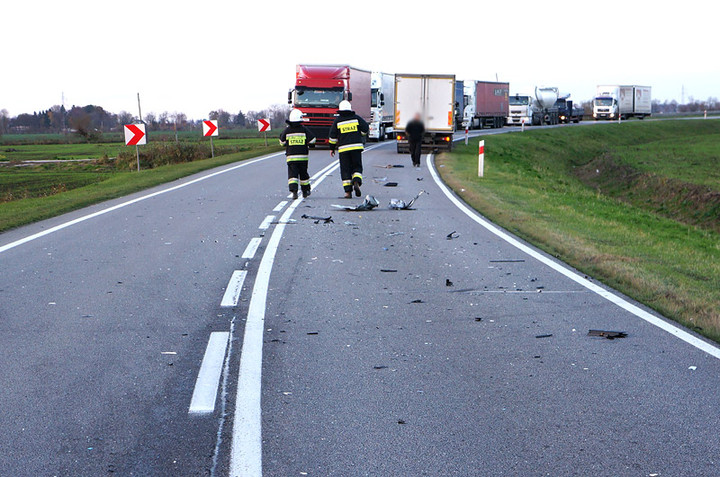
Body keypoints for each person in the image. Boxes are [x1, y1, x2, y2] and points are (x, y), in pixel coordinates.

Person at [329, 100, 369, 198]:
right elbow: (366, 128)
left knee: (345, 169)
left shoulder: (337, 121)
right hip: (356, 148)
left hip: (344, 149)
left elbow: (332, 136)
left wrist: (332, 148)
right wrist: (361, 135)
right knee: (357, 166)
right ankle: (356, 181)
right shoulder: (356, 118)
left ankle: (348, 192)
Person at [279, 109, 316, 199]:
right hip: (303, 158)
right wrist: (310, 145)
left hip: (291, 158)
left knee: (292, 175)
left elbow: (282, 142)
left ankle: (294, 191)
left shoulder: (287, 130)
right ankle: (305, 191)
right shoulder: (304, 129)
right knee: (303, 174)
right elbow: (313, 140)